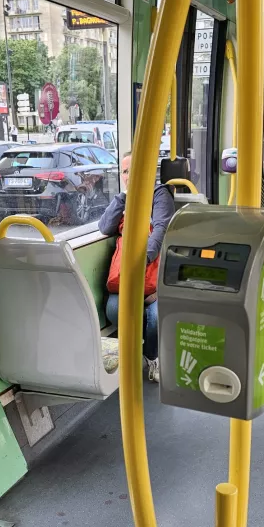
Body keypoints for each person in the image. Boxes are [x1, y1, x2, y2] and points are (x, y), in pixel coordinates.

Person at [99, 152, 175, 382]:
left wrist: (139, 264)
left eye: (134, 169)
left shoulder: (160, 195)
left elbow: (160, 231)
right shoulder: (124, 199)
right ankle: (135, 352)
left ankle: (152, 356)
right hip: (126, 278)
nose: (129, 175)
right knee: (114, 311)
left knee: (154, 318)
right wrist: (123, 197)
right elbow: (104, 227)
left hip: (151, 273)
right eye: (125, 171)